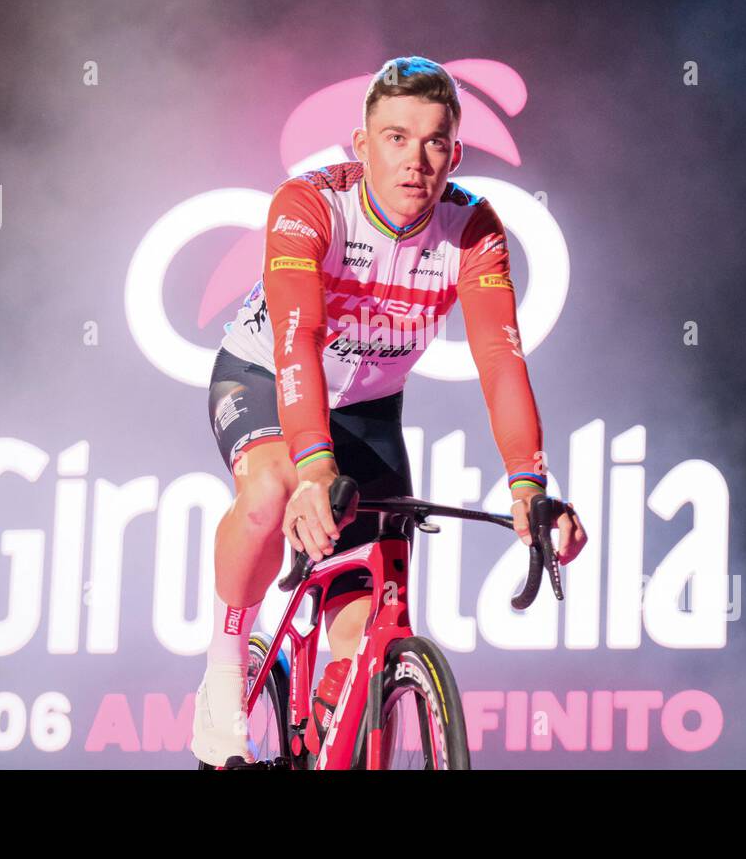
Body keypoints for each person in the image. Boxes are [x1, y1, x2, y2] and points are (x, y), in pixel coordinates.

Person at [195, 55, 587, 767]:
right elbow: (299, 341)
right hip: (267, 377)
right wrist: (314, 466)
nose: (417, 159)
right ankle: (224, 670)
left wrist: (529, 488)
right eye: (398, 138)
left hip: (369, 412)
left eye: (435, 141)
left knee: (369, 625)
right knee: (269, 491)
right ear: (362, 143)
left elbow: (500, 363)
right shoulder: (309, 204)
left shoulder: (472, 228)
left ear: (456, 153)